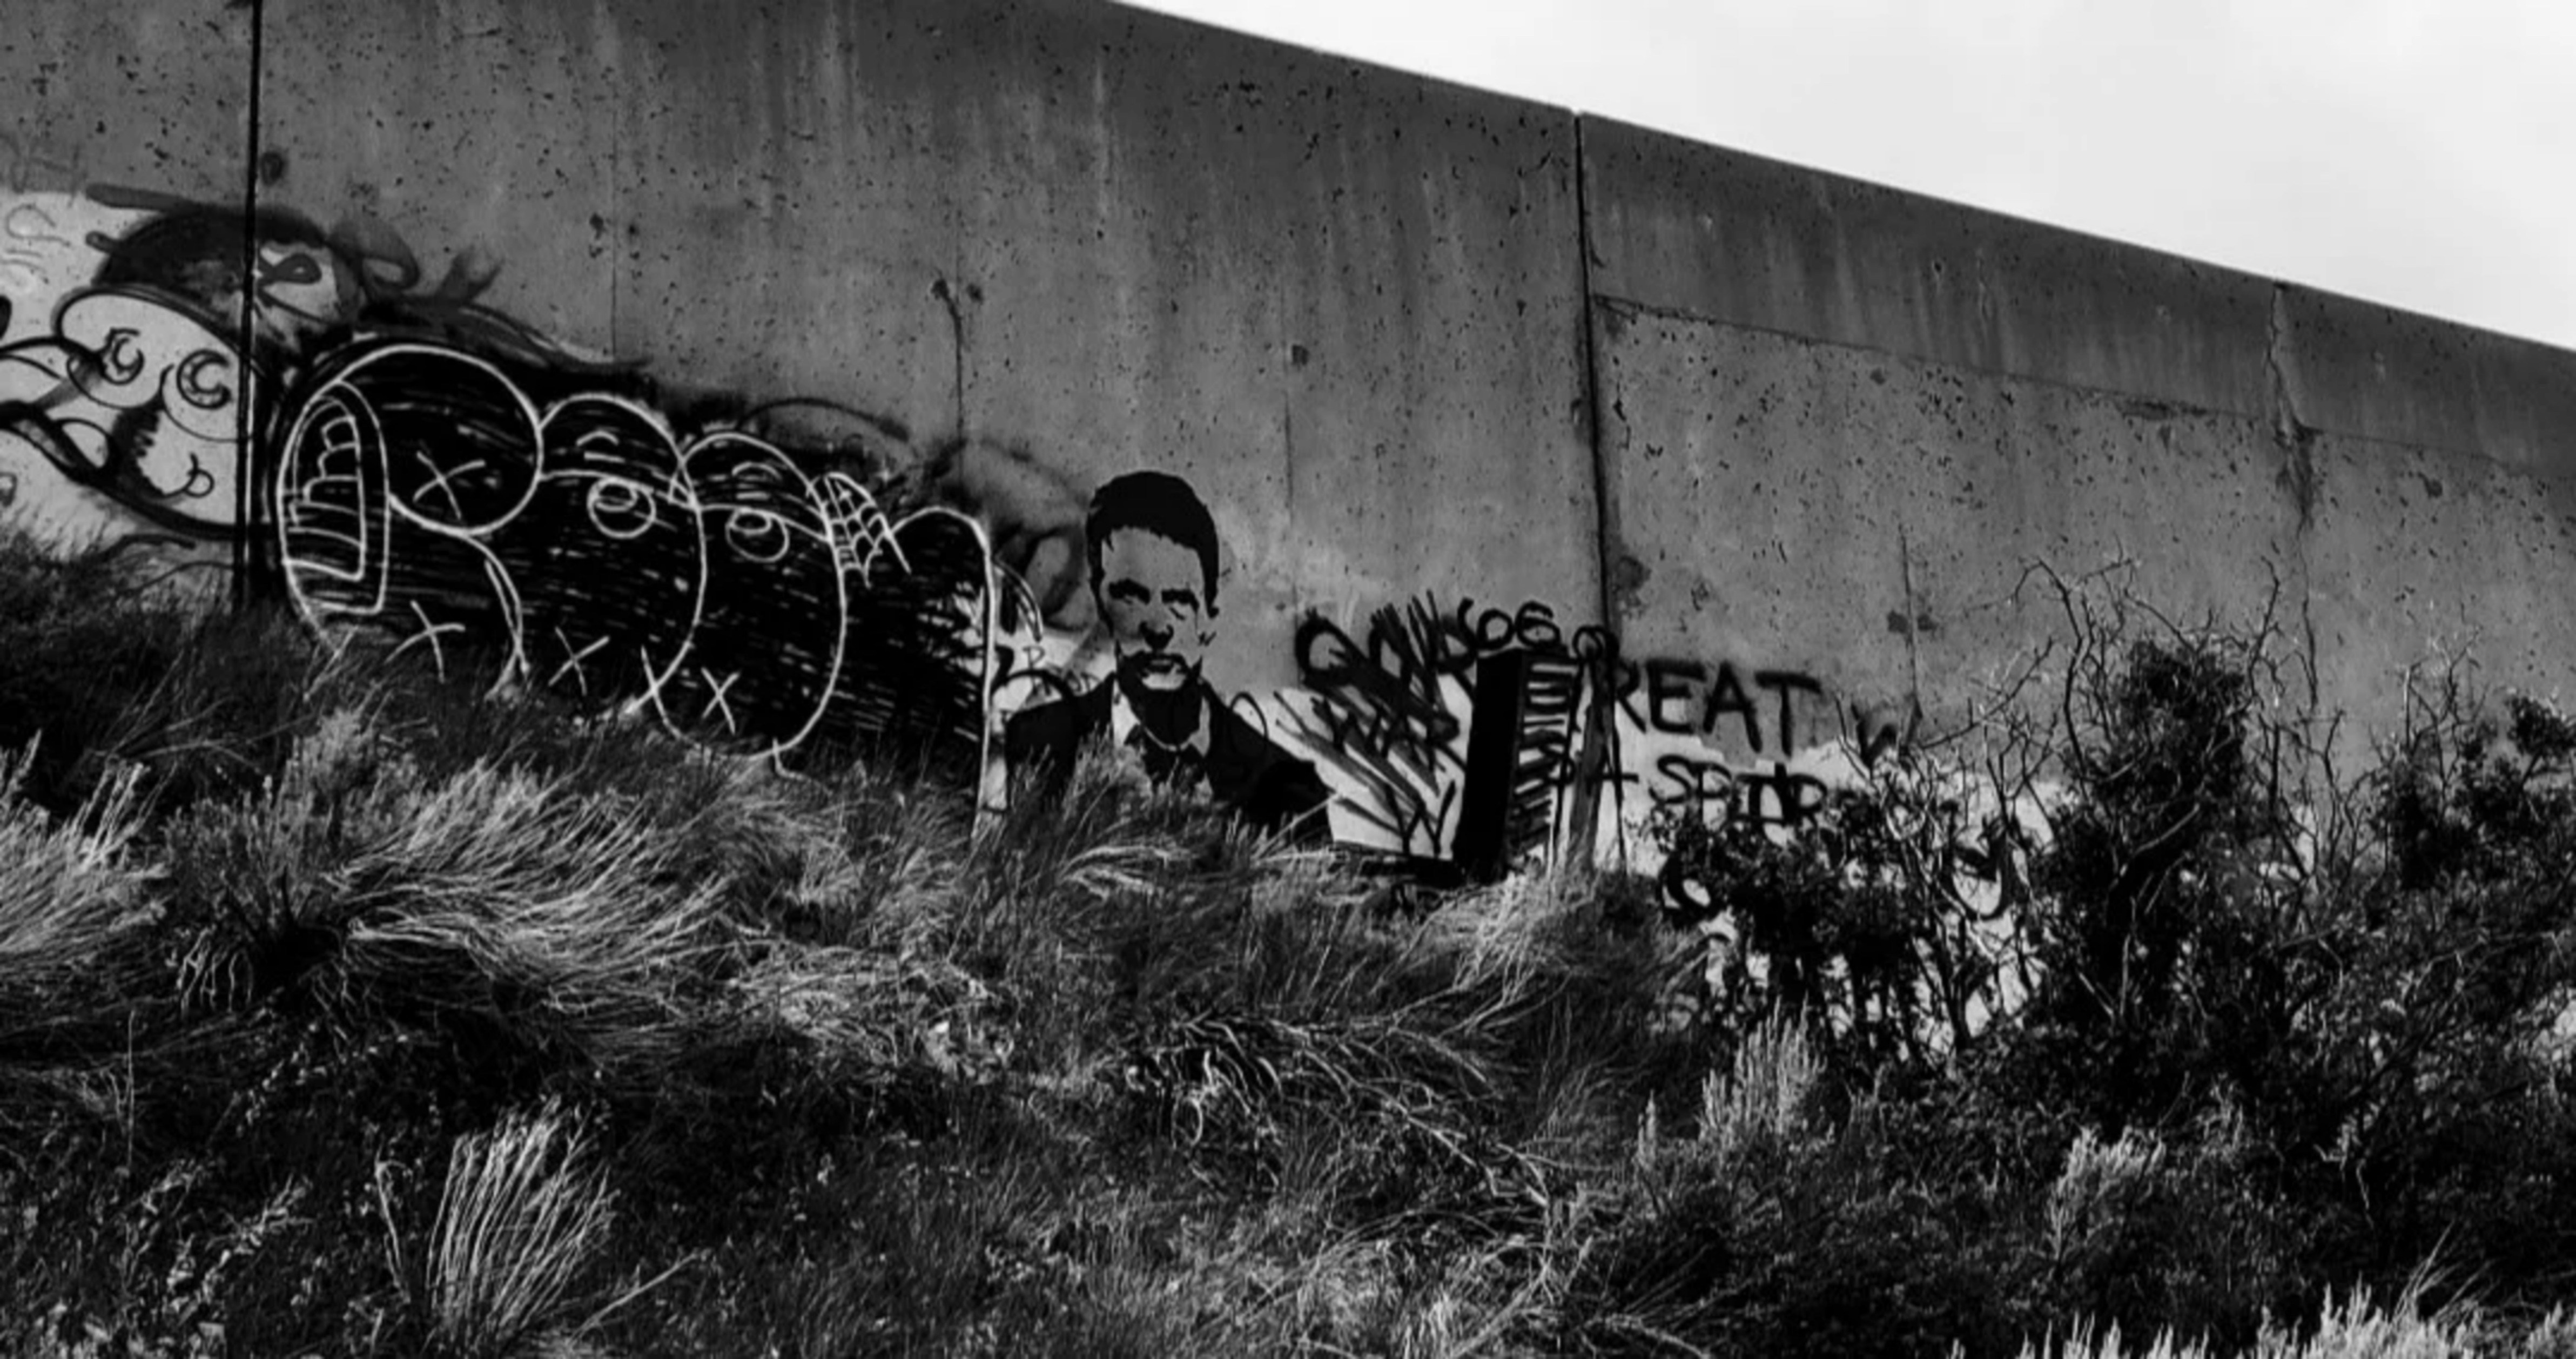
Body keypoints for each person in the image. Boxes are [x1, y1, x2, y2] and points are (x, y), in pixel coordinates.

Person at [1004, 470, 1330, 838]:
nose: (1158, 629)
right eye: (1131, 596)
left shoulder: (1286, 790)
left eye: (1180, 601)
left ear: (1210, 612)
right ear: (1100, 602)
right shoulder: (1039, 747)